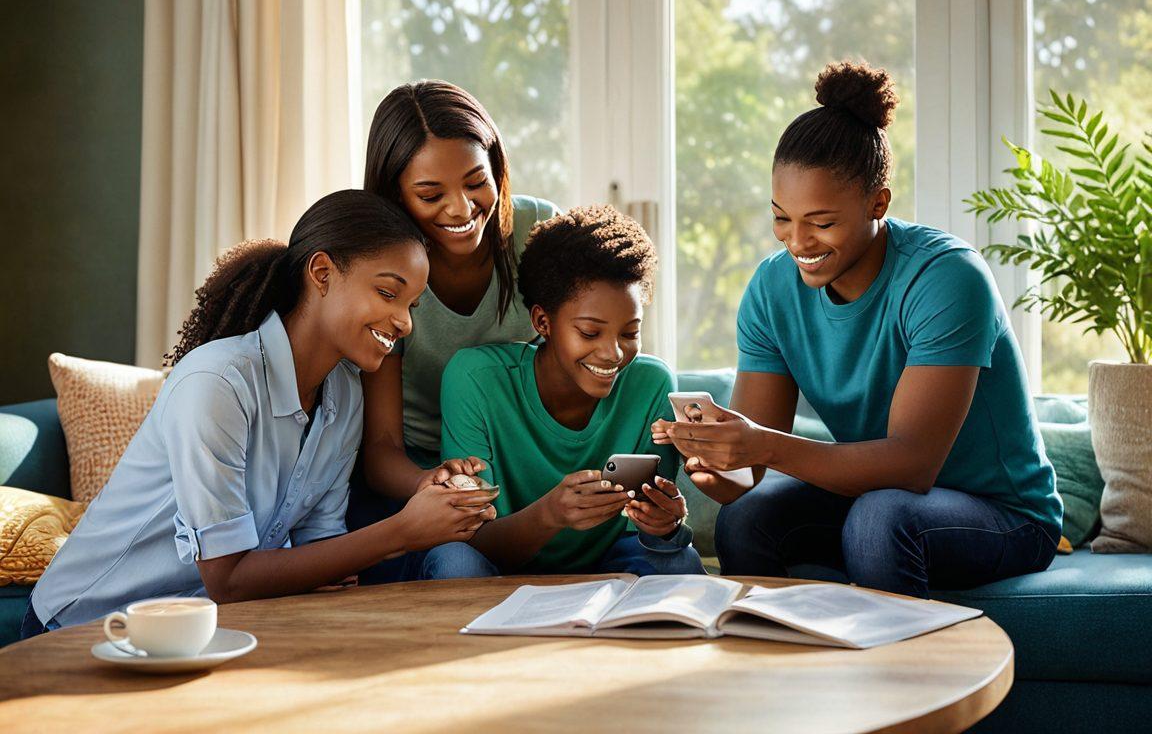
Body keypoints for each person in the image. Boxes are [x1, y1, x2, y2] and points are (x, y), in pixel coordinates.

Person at [654, 61, 1062, 598]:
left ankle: (900, 680)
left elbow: (912, 465)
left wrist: (762, 447)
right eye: (782, 218)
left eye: (821, 223)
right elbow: (746, 478)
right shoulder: (773, 290)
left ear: (878, 202)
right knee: (747, 519)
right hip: (877, 497)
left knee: (880, 520)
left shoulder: (946, 278)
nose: (797, 242)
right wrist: (720, 465)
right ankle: (768, 673)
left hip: (1003, 513)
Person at [23, 190, 495, 637]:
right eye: (389, 294)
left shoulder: (346, 394)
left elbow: (320, 550)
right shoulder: (218, 383)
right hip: (85, 622)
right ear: (323, 274)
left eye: (412, 304)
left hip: (202, 624)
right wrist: (403, 531)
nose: (405, 322)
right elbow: (228, 579)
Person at [423, 205, 706, 578]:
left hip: (610, 564)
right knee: (453, 562)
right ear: (543, 321)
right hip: (501, 561)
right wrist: (550, 514)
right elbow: (471, 537)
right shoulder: (476, 379)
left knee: (680, 559)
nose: (614, 353)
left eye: (629, 332)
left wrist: (665, 525)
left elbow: (644, 539)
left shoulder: (651, 384)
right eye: (590, 332)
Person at [349, 80, 558, 580]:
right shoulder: (383, 266)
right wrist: (431, 482)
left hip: (514, 460)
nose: (462, 209)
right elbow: (380, 448)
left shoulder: (536, 230)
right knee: (456, 566)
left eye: (475, 182)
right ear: (395, 195)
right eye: (430, 194)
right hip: (418, 474)